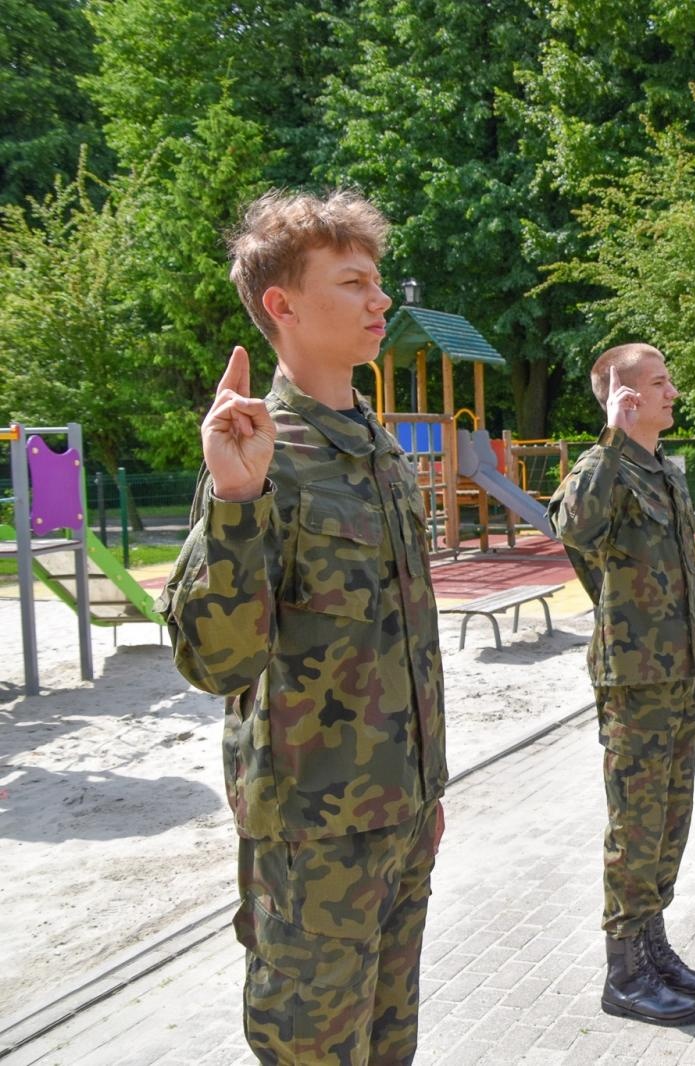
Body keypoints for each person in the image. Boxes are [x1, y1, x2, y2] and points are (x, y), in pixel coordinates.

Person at [159, 190, 447, 1063]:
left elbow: (410, 645)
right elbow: (216, 662)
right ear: (281, 306)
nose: (381, 300)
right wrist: (238, 499)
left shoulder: (380, 448)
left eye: (378, 280)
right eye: (354, 282)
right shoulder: (257, 450)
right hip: (312, 844)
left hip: (400, 819)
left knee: (391, 1047)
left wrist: (428, 789)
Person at [549, 343, 695, 1026]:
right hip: (634, 679)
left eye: (669, 380)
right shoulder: (606, 467)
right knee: (635, 823)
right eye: (658, 382)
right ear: (623, 396)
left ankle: (653, 945)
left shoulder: (665, 473)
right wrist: (611, 441)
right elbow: (572, 527)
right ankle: (623, 972)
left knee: (671, 818)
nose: (673, 392)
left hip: (678, 671)